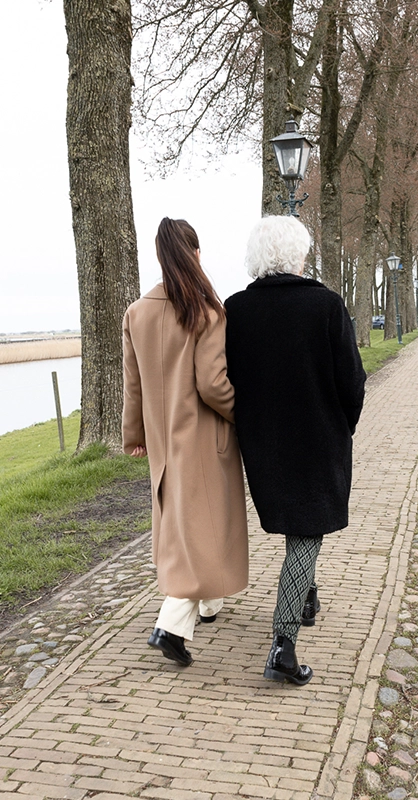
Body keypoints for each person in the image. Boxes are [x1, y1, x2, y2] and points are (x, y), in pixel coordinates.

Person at [225, 215, 365, 685]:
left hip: (264, 442)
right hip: (317, 439)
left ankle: (304, 596)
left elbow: (227, 378)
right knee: (307, 533)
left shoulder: (235, 310)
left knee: (298, 523)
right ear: (297, 256)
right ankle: (283, 645)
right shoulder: (325, 305)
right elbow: (352, 379)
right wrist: (344, 425)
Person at [122, 217, 249, 667]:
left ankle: (209, 604)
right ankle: (172, 624)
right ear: (195, 254)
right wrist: (243, 415)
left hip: (162, 440)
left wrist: (133, 434)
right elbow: (213, 384)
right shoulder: (206, 311)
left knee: (188, 523)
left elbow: (132, 385)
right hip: (202, 436)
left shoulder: (137, 312)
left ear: (160, 258)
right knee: (209, 522)